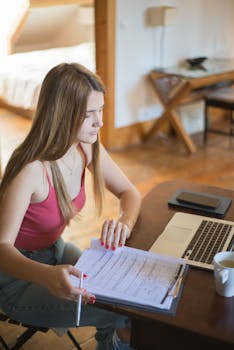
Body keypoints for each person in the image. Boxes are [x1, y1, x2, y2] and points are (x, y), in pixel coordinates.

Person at [0, 63, 142, 350]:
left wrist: (123, 224)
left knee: (129, 298)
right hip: (15, 279)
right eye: (89, 114)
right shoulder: (30, 170)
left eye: (100, 110)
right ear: (62, 113)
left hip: (56, 252)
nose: (99, 122)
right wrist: (46, 276)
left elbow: (130, 192)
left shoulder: (84, 146)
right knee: (119, 313)